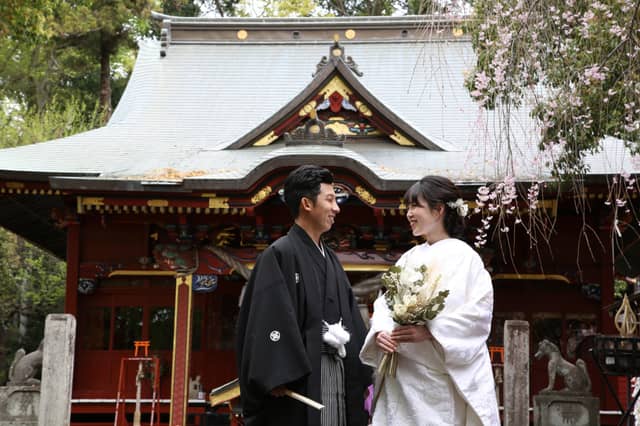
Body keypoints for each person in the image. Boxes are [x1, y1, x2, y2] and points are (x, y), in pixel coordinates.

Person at [236, 165, 372, 426]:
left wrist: (365, 363)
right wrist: (275, 373)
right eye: (330, 200)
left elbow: (352, 319)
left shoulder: (331, 259)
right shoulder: (279, 254)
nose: (337, 209)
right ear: (307, 204)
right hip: (301, 378)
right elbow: (267, 317)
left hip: (338, 368)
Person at [359, 175, 500, 426]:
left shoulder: (466, 258)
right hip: (401, 376)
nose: (409, 213)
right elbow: (385, 302)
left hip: (437, 378)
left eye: (416, 206)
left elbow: (477, 316)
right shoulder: (409, 257)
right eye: (408, 207)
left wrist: (431, 330)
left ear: (439, 210)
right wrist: (380, 330)